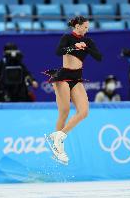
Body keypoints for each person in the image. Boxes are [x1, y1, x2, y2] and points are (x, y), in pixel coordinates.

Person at [43, 16, 102, 164]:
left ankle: (59, 136)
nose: (87, 30)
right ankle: (58, 149)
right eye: (86, 27)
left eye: (88, 27)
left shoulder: (88, 41)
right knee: (64, 111)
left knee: (84, 112)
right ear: (78, 26)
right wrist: (74, 47)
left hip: (77, 78)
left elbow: (99, 57)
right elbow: (58, 51)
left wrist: (86, 47)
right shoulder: (67, 37)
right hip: (63, 76)